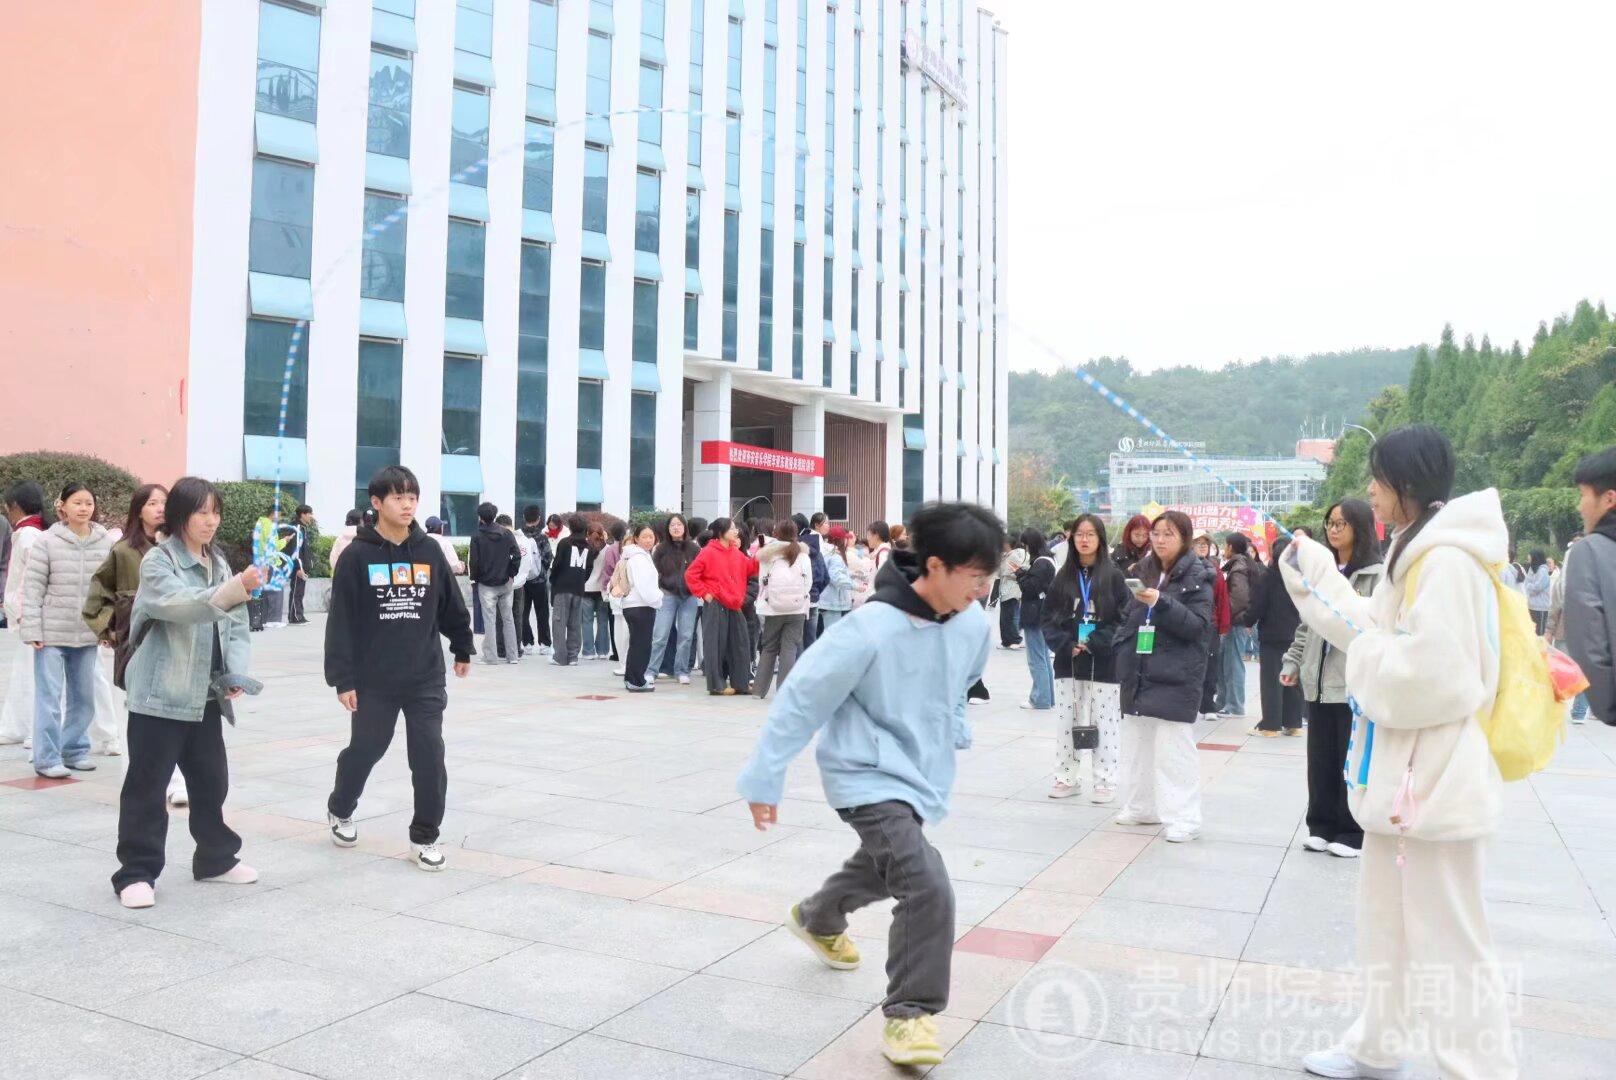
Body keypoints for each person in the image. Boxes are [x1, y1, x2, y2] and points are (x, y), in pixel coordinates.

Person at [1279, 426, 1517, 1080]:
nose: (1370, 492)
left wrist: (1365, 657)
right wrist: (1314, 573)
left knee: (1451, 942)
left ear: (1406, 484)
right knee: (1386, 927)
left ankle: (1480, 1069)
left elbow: (1436, 675)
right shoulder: (1418, 551)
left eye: (1378, 479)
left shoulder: (1448, 562)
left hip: (1436, 784)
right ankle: (1377, 1047)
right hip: (1404, 781)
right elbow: (1373, 630)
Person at [737, 502, 998, 1068]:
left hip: (921, 773)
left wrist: (953, 724)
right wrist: (765, 776)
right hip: (864, 773)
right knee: (925, 884)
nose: (983, 589)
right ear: (936, 565)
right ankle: (910, 1013)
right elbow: (802, 698)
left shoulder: (973, 623)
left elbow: (966, 679)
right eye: (976, 576)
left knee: (885, 866)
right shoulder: (868, 629)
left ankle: (818, 916)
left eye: (989, 578)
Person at [111, 477, 263, 908]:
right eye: (201, 512)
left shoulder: (218, 562)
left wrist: (234, 671)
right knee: (147, 787)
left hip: (204, 696)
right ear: (180, 515)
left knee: (211, 782)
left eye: (215, 512)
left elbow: (236, 625)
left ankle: (215, 859)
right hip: (160, 693)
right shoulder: (159, 562)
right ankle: (136, 873)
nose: (211, 521)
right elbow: (180, 605)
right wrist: (235, 589)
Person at [324, 466, 473, 873]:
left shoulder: (429, 552)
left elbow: (450, 603)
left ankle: (424, 836)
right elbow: (341, 621)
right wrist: (342, 679)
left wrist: (462, 645)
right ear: (376, 503)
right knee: (367, 748)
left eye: (413, 497)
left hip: (425, 675)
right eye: (398, 497)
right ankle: (340, 806)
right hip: (373, 679)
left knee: (429, 755)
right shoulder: (357, 556)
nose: (407, 505)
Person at [1281, 499, 1382, 858]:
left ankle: (1351, 831)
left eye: (1341, 523)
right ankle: (1320, 826)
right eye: (1330, 523)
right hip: (1319, 682)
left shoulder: (1376, 575)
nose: (1333, 530)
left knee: (1348, 759)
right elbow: (1308, 624)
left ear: (1360, 527)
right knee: (1320, 759)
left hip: (1352, 682)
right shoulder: (1321, 572)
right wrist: (1294, 661)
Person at [84, 484, 189, 806]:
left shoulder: (179, 548)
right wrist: (108, 629)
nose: (160, 508)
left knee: (173, 715)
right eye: (152, 503)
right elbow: (98, 595)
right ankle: (137, 782)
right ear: (138, 509)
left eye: (164, 503)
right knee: (132, 716)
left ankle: (176, 781)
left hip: (173, 643)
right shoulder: (123, 551)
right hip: (132, 646)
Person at [1113, 510, 1214, 843]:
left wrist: (1162, 603)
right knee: (1137, 747)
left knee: (1174, 751)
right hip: (1139, 669)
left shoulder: (1198, 575)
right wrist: (1122, 646)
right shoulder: (1143, 570)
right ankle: (1142, 807)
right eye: (1156, 533)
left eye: (1168, 534)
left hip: (1176, 672)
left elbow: (1198, 627)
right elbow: (1129, 616)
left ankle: (1185, 817)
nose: (1159, 540)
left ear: (1184, 538)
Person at [19, 483, 114, 778]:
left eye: (88, 503)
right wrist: (32, 629)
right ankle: (47, 759)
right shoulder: (47, 541)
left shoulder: (104, 542)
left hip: (86, 632)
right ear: (63, 506)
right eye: (77, 502)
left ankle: (74, 750)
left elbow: (109, 589)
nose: (83, 508)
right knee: (49, 699)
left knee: (84, 699)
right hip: (51, 633)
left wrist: (106, 626)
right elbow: (33, 588)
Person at [1043, 514, 1132, 803]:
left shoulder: (1114, 577)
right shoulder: (1062, 577)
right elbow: (1048, 619)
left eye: (1091, 534)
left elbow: (1125, 618)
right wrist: (1065, 644)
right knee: (1066, 722)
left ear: (1100, 539)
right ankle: (1066, 777)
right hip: (1068, 662)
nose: (1084, 539)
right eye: (1080, 534)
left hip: (1103, 664)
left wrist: (1095, 641)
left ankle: (1105, 780)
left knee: (1105, 723)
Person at [1564, 446, 1616, 726]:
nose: (1580, 506)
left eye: (1583, 495)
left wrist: (1608, 707)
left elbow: (1589, 646)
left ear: (1609, 498)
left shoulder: (1590, 552)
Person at [685, 516, 758, 695]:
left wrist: (762, 555)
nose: (735, 531)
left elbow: (750, 568)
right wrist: (705, 594)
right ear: (721, 532)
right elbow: (691, 575)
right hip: (716, 603)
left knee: (740, 644)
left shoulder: (736, 552)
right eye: (732, 528)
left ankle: (740, 683)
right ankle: (717, 685)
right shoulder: (708, 552)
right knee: (715, 645)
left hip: (735, 603)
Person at [1, 482, 47, 745]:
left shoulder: (29, 535)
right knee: (23, 672)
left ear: (15, 506)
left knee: (31, 674)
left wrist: (22, 611)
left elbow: (29, 579)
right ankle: (16, 726)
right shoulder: (31, 532)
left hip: (30, 614)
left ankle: (32, 729)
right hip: (27, 613)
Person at [1245, 536, 1305, 736]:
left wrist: (1247, 620)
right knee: (1292, 678)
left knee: (1271, 680)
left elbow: (1258, 606)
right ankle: (1293, 724)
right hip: (1294, 634)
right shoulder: (1298, 578)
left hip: (1271, 636)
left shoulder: (1268, 578)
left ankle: (1270, 726)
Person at [754, 521, 815, 698]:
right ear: (796, 533)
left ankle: (759, 691)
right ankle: (783, 692)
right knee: (790, 648)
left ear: (776, 533)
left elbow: (762, 581)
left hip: (772, 608)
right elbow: (808, 583)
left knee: (769, 647)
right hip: (797, 608)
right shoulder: (803, 555)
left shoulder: (768, 554)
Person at [647, 513, 701, 684]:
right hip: (667, 595)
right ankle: (652, 670)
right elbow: (653, 572)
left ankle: (682, 671)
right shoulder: (661, 549)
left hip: (689, 597)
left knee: (686, 636)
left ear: (685, 527)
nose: (676, 528)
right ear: (668, 528)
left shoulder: (694, 549)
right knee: (660, 635)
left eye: (679, 524)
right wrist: (659, 588)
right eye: (672, 525)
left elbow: (700, 571)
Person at [468, 503, 522, 666]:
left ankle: (491, 657)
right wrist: (511, 573)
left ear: (480, 517)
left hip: (486, 583)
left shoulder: (477, 536)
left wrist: (475, 578)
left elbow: (474, 561)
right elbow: (517, 555)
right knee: (508, 618)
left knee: (489, 621)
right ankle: (513, 656)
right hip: (505, 582)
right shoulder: (506, 533)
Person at [1013, 528, 1056, 711]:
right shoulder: (1048, 560)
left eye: (1025, 545)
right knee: (1043, 657)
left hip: (1035, 614)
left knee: (1036, 658)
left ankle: (1040, 699)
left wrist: (1019, 574)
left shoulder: (1040, 563)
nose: (1025, 549)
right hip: (1043, 613)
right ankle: (1047, 697)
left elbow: (1030, 588)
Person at [617, 523, 662, 692]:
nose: (649, 540)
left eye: (651, 537)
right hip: (641, 605)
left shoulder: (638, 556)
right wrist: (658, 599)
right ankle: (636, 680)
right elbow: (645, 587)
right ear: (636, 538)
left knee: (637, 643)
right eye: (644, 537)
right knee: (641, 645)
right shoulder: (639, 558)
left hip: (635, 605)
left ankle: (632, 678)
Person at [1219, 533, 1259, 716]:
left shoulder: (1238, 568)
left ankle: (1234, 705)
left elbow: (1239, 599)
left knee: (1233, 663)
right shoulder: (1243, 564)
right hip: (1238, 621)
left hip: (1236, 622)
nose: (1224, 549)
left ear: (1230, 547)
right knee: (1228, 662)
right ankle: (1225, 701)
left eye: (1225, 545)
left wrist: (1225, 614)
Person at [548, 514, 596, 665]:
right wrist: (581, 580)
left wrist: (553, 580)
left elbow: (556, 565)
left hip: (562, 587)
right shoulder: (589, 547)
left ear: (571, 528)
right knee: (575, 624)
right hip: (579, 588)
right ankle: (573, 656)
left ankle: (559, 657)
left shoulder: (564, 543)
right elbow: (589, 568)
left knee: (559, 623)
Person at [1193, 532, 1230, 719]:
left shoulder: (1216, 571)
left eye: (1205, 543)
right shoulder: (1183, 568)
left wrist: (1223, 625)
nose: (1202, 546)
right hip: (1189, 621)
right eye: (1198, 543)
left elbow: (1222, 598)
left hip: (1211, 624)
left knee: (1211, 664)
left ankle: (1208, 705)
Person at [794, 512, 831, 651]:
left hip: (797, 601)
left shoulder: (795, 549)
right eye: (826, 522)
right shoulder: (817, 547)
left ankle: (798, 664)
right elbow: (825, 577)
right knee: (811, 640)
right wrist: (815, 591)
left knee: (797, 641)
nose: (828, 525)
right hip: (814, 600)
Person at [519, 506, 553, 655]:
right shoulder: (542, 537)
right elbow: (548, 557)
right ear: (539, 519)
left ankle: (527, 643)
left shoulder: (519, 536)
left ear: (524, 517)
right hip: (539, 580)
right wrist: (541, 571)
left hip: (522, 581)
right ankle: (545, 644)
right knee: (542, 612)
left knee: (523, 612)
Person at [579, 521, 612, 661]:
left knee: (586, 621)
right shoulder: (608, 549)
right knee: (603, 621)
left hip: (586, 589)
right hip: (602, 590)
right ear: (603, 533)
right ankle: (603, 651)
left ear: (587, 534)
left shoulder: (583, 548)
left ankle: (588, 652)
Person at [818, 526, 856, 632]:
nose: (847, 541)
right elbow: (836, 578)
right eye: (845, 538)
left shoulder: (827, 553)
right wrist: (855, 586)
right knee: (833, 634)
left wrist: (853, 575)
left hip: (826, 601)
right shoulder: (835, 556)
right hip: (833, 603)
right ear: (840, 540)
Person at [997, 536, 1028, 648]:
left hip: (1012, 590)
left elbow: (1022, 570)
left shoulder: (1014, 556)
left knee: (1010, 616)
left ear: (1007, 544)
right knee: (1005, 617)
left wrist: (1010, 574)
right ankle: (1006, 641)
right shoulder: (1006, 556)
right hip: (1005, 588)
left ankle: (1014, 640)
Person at [1523, 550, 1552, 635]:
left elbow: (1537, 587)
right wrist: (1530, 586)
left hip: (1541, 607)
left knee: (1540, 633)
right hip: (1531, 605)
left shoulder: (1543, 571)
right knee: (1532, 633)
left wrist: (1529, 586)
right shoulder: (1532, 569)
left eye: (1530, 556)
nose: (1528, 558)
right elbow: (1526, 583)